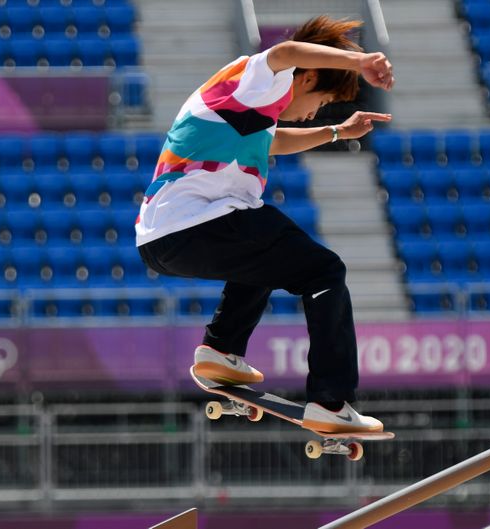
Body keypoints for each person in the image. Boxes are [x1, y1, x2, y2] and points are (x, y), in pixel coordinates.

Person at [136, 16, 394, 433]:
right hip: (192, 223)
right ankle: (331, 401)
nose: (314, 113)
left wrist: (336, 132)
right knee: (323, 269)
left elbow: (274, 140)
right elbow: (286, 52)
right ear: (308, 79)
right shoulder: (264, 77)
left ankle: (221, 350)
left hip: (166, 235)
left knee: (264, 253)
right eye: (323, 103)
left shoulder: (250, 108)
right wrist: (360, 60)